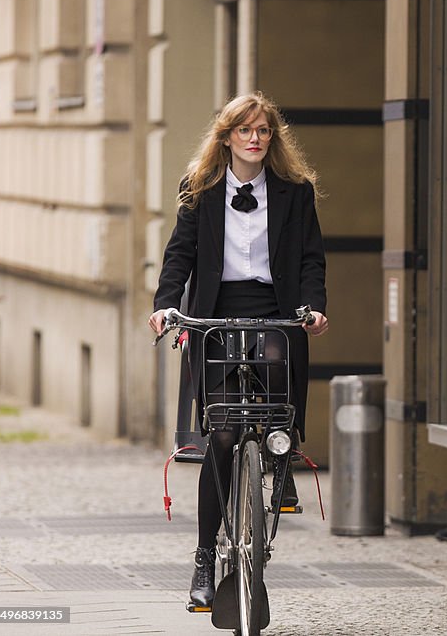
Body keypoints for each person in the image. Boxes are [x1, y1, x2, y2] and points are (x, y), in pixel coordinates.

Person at [148, 92, 328, 610]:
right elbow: (179, 255)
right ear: (226, 136)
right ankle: (205, 558)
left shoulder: (295, 191)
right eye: (245, 130)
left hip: (276, 305)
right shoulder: (200, 190)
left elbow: (312, 260)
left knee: (276, 366)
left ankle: (281, 448)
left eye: (264, 131)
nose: (254, 138)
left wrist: (313, 306)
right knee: (224, 435)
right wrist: (165, 306)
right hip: (216, 309)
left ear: (273, 139)